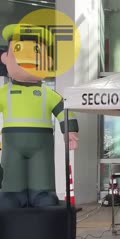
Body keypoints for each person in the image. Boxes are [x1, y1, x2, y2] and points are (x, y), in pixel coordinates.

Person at [0, 24, 79, 208]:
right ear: (5, 58)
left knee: (42, 175)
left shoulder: (48, 94)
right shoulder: (5, 92)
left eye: (37, 51)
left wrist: (71, 131)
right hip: (12, 143)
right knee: (12, 177)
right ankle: (12, 194)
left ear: (48, 61)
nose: (29, 57)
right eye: (18, 50)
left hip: (42, 144)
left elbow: (63, 110)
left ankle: (41, 193)